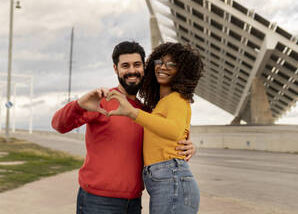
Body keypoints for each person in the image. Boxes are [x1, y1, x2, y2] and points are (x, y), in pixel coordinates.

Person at [51, 41, 196, 214]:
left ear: (144, 68)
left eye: (137, 65)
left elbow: (168, 134)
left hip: (133, 202)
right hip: (98, 201)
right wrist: (78, 104)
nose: (132, 71)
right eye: (125, 66)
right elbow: (58, 125)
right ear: (115, 69)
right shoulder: (102, 101)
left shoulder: (146, 112)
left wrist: (190, 145)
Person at [105, 42, 203, 214]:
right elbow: (174, 131)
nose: (162, 67)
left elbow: (173, 130)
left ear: (182, 71)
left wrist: (133, 113)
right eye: (159, 62)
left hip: (172, 179)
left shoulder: (178, 99)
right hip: (165, 180)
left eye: (171, 64)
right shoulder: (160, 105)